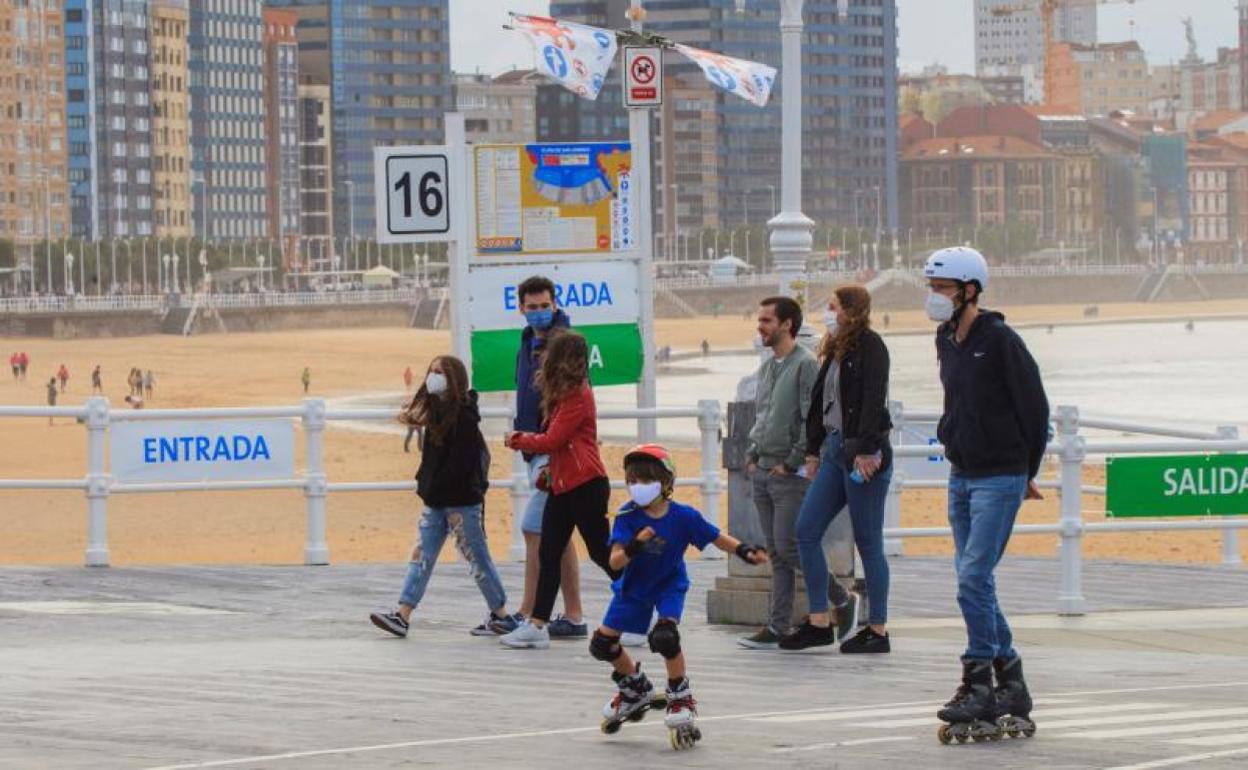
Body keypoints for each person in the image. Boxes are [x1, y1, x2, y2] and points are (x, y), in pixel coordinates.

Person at [923, 247, 1049, 740]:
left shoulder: (1000, 340)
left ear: (969, 290)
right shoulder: (946, 338)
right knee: (974, 580)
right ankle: (1011, 683)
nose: (933, 298)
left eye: (941, 289)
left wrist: (1028, 472)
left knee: (973, 576)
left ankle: (976, 682)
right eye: (930, 288)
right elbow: (957, 400)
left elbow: (1034, 409)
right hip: (962, 471)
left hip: (1001, 475)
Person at [594, 444, 769, 741]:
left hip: (668, 584)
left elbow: (715, 536)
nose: (637, 487)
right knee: (602, 644)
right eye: (632, 481)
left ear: (665, 484)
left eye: (645, 481)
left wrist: (743, 550)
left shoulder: (683, 516)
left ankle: (680, 695)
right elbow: (615, 562)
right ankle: (636, 688)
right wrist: (634, 546)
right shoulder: (627, 516)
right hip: (634, 587)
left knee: (665, 637)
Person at [370, 355, 516, 639]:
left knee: (477, 559)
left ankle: (502, 615)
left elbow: (461, 464)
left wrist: (445, 496)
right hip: (436, 501)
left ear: (454, 380)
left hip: (461, 503)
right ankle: (402, 614)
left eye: (440, 372)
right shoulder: (436, 410)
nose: (433, 377)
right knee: (421, 557)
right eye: (431, 371)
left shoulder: (464, 417)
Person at [782, 285, 894, 654]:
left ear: (851, 310)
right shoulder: (832, 348)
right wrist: (812, 451)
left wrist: (866, 448)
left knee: (868, 541)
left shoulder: (871, 347)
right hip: (833, 450)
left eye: (832, 307)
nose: (827, 313)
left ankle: (877, 629)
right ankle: (819, 620)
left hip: (861, 454)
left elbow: (874, 400)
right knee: (806, 530)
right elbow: (821, 403)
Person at [499, 332, 617, 649]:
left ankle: (640, 605)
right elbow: (560, 443)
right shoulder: (567, 394)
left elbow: (552, 440)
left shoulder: (577, 395)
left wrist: (518, 439)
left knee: (600, 551)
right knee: (549, 552)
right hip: (564, 485)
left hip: (586, 485)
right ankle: (537, 626)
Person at [495, 275, 587, 640]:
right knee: (560, 535)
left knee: (534, 528)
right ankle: (573, 616)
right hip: (536, 450)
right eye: (530, 307)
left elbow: (575, 400)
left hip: (554, 451)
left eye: (543, 306)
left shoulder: (564, 344)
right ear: (521, 308)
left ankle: (531, 611)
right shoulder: (526, 341)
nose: (537, 313)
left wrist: (544, 441)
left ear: (555, 304)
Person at [738, 296, 822, 650]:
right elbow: (764, 414)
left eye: (767, 321)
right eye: (760, 320)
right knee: (776, 552)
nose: (761, 327)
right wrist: (753, 454)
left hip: (787, 473)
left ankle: (842, 599)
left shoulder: (805, 364)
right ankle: (777, 625)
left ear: (787, 324)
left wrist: (792, 460)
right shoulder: (769, 366)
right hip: (763, 469)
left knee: (789, 548)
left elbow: (809, 417)